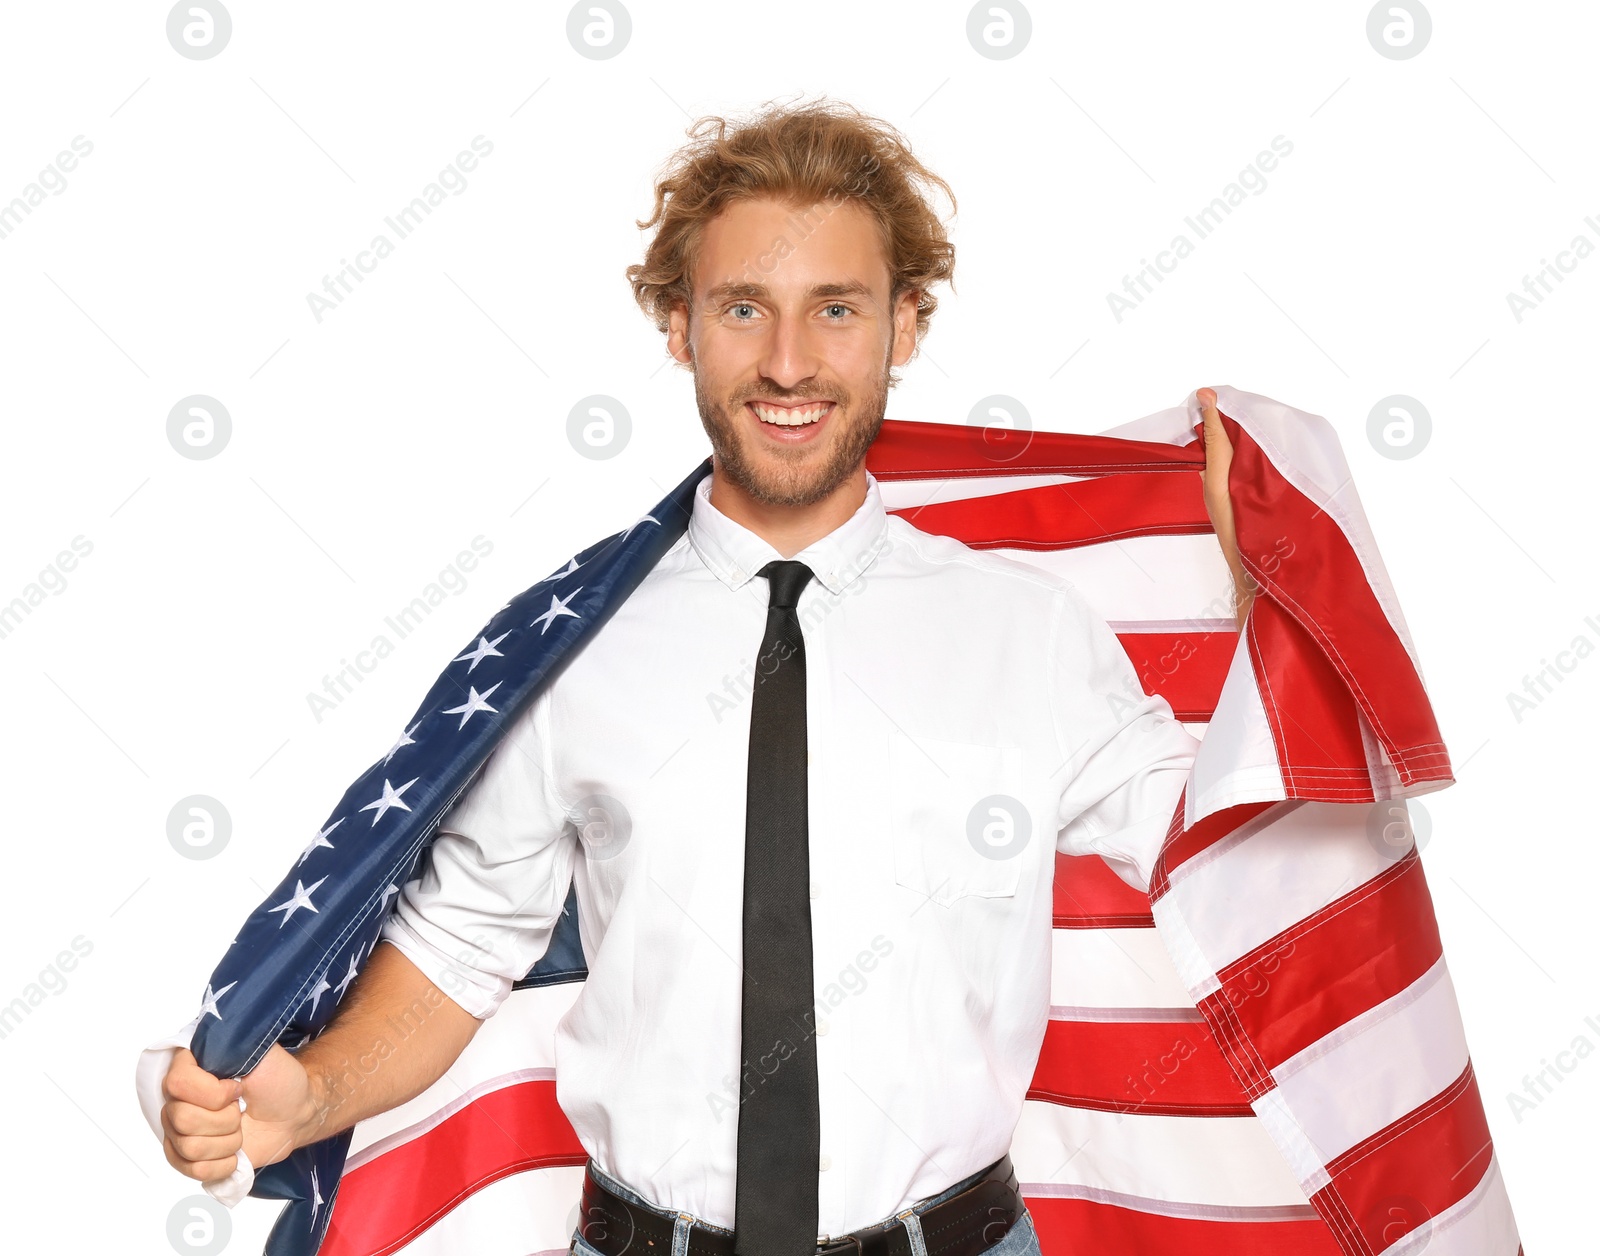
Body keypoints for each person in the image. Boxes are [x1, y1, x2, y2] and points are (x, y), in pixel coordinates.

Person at [157, 98, 1255, 1256]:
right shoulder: (575, 644)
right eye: (743, 308)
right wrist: (318, 1096)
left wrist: (1264, 576)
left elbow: (1233, 852)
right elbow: (463, 942)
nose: (789, 363)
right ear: (679, 325)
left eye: (836, 309)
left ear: (907, 324)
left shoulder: (1028, 634)